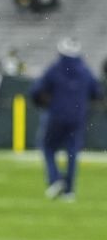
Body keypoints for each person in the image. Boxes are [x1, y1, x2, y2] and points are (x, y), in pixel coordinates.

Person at [31, 38, 102, 199]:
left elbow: (36, 91)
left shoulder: (55, 69)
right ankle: (69, 191)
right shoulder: (85, 70)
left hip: (56, 115)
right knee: (72, 152)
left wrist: (42, 102)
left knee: (48, 147)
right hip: (77, 117)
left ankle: (55, 178)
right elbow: (97, 91)